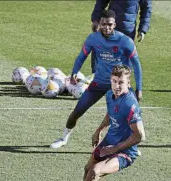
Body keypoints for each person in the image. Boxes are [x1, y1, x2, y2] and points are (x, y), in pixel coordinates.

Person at [57, 65, 145, 181]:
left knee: (95, 172)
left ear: (128, 84)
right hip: (108, 142)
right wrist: (99, 130)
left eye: (121, 82)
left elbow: (139, 136)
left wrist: (116, 148)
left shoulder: (130, 104)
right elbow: (110, 113)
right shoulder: (110, 94)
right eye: (114, 81)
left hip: (125, 151)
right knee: (87, 170)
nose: (117, 86)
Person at [50, 9, 143, 149]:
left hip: (120, 86)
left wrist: (139, 88)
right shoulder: (93, 39)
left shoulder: (125, 41)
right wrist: (74, 72)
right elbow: (82, 56)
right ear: (99, 23)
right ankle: (63, 138)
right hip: (99, 83)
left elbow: (137, 65)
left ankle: (128, 148)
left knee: (127, 118)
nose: (107, 27)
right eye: (104, 24)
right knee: (77, 111)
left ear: (115, 24)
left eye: (110, 24)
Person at [90, 0, 152, 73]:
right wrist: (96, 20)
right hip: (110, 26)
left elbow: (146, 9)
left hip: (127, 31)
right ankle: (96, 78)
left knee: (122, 65)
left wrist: (143, 29)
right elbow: (101, 2)